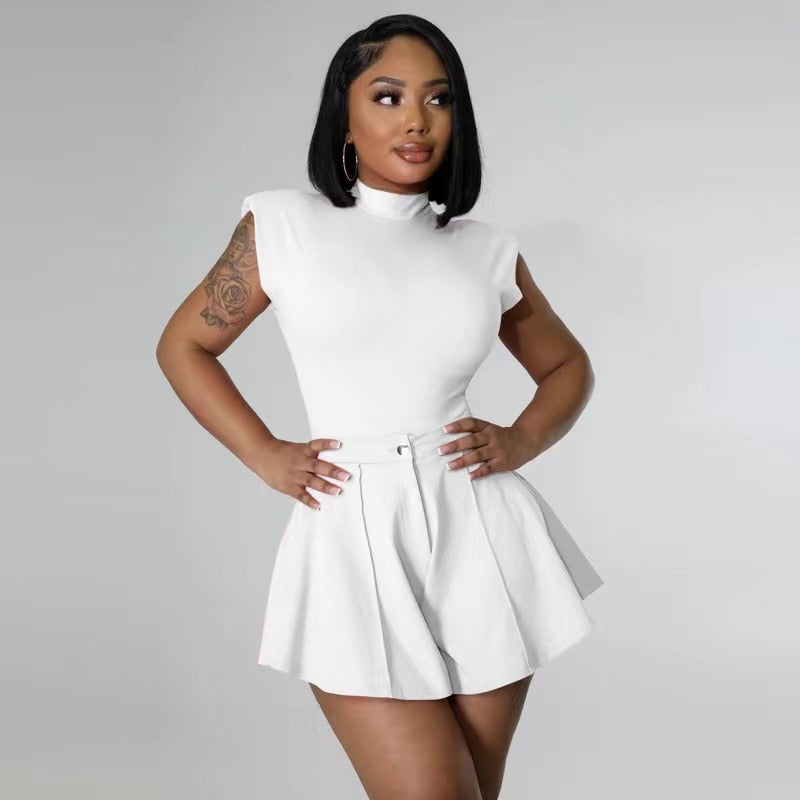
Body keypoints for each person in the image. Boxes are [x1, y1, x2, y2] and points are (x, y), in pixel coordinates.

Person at [157, 14, 604, 800]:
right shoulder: (282, 226)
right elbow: (184, 346)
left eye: (439, 98)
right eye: (389, 96)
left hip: (482, 532)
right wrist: (263, 452)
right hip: (352, 532)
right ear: (345, 115)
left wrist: (522, 439)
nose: (416, 119)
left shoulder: (486, 250)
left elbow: (568, 366)